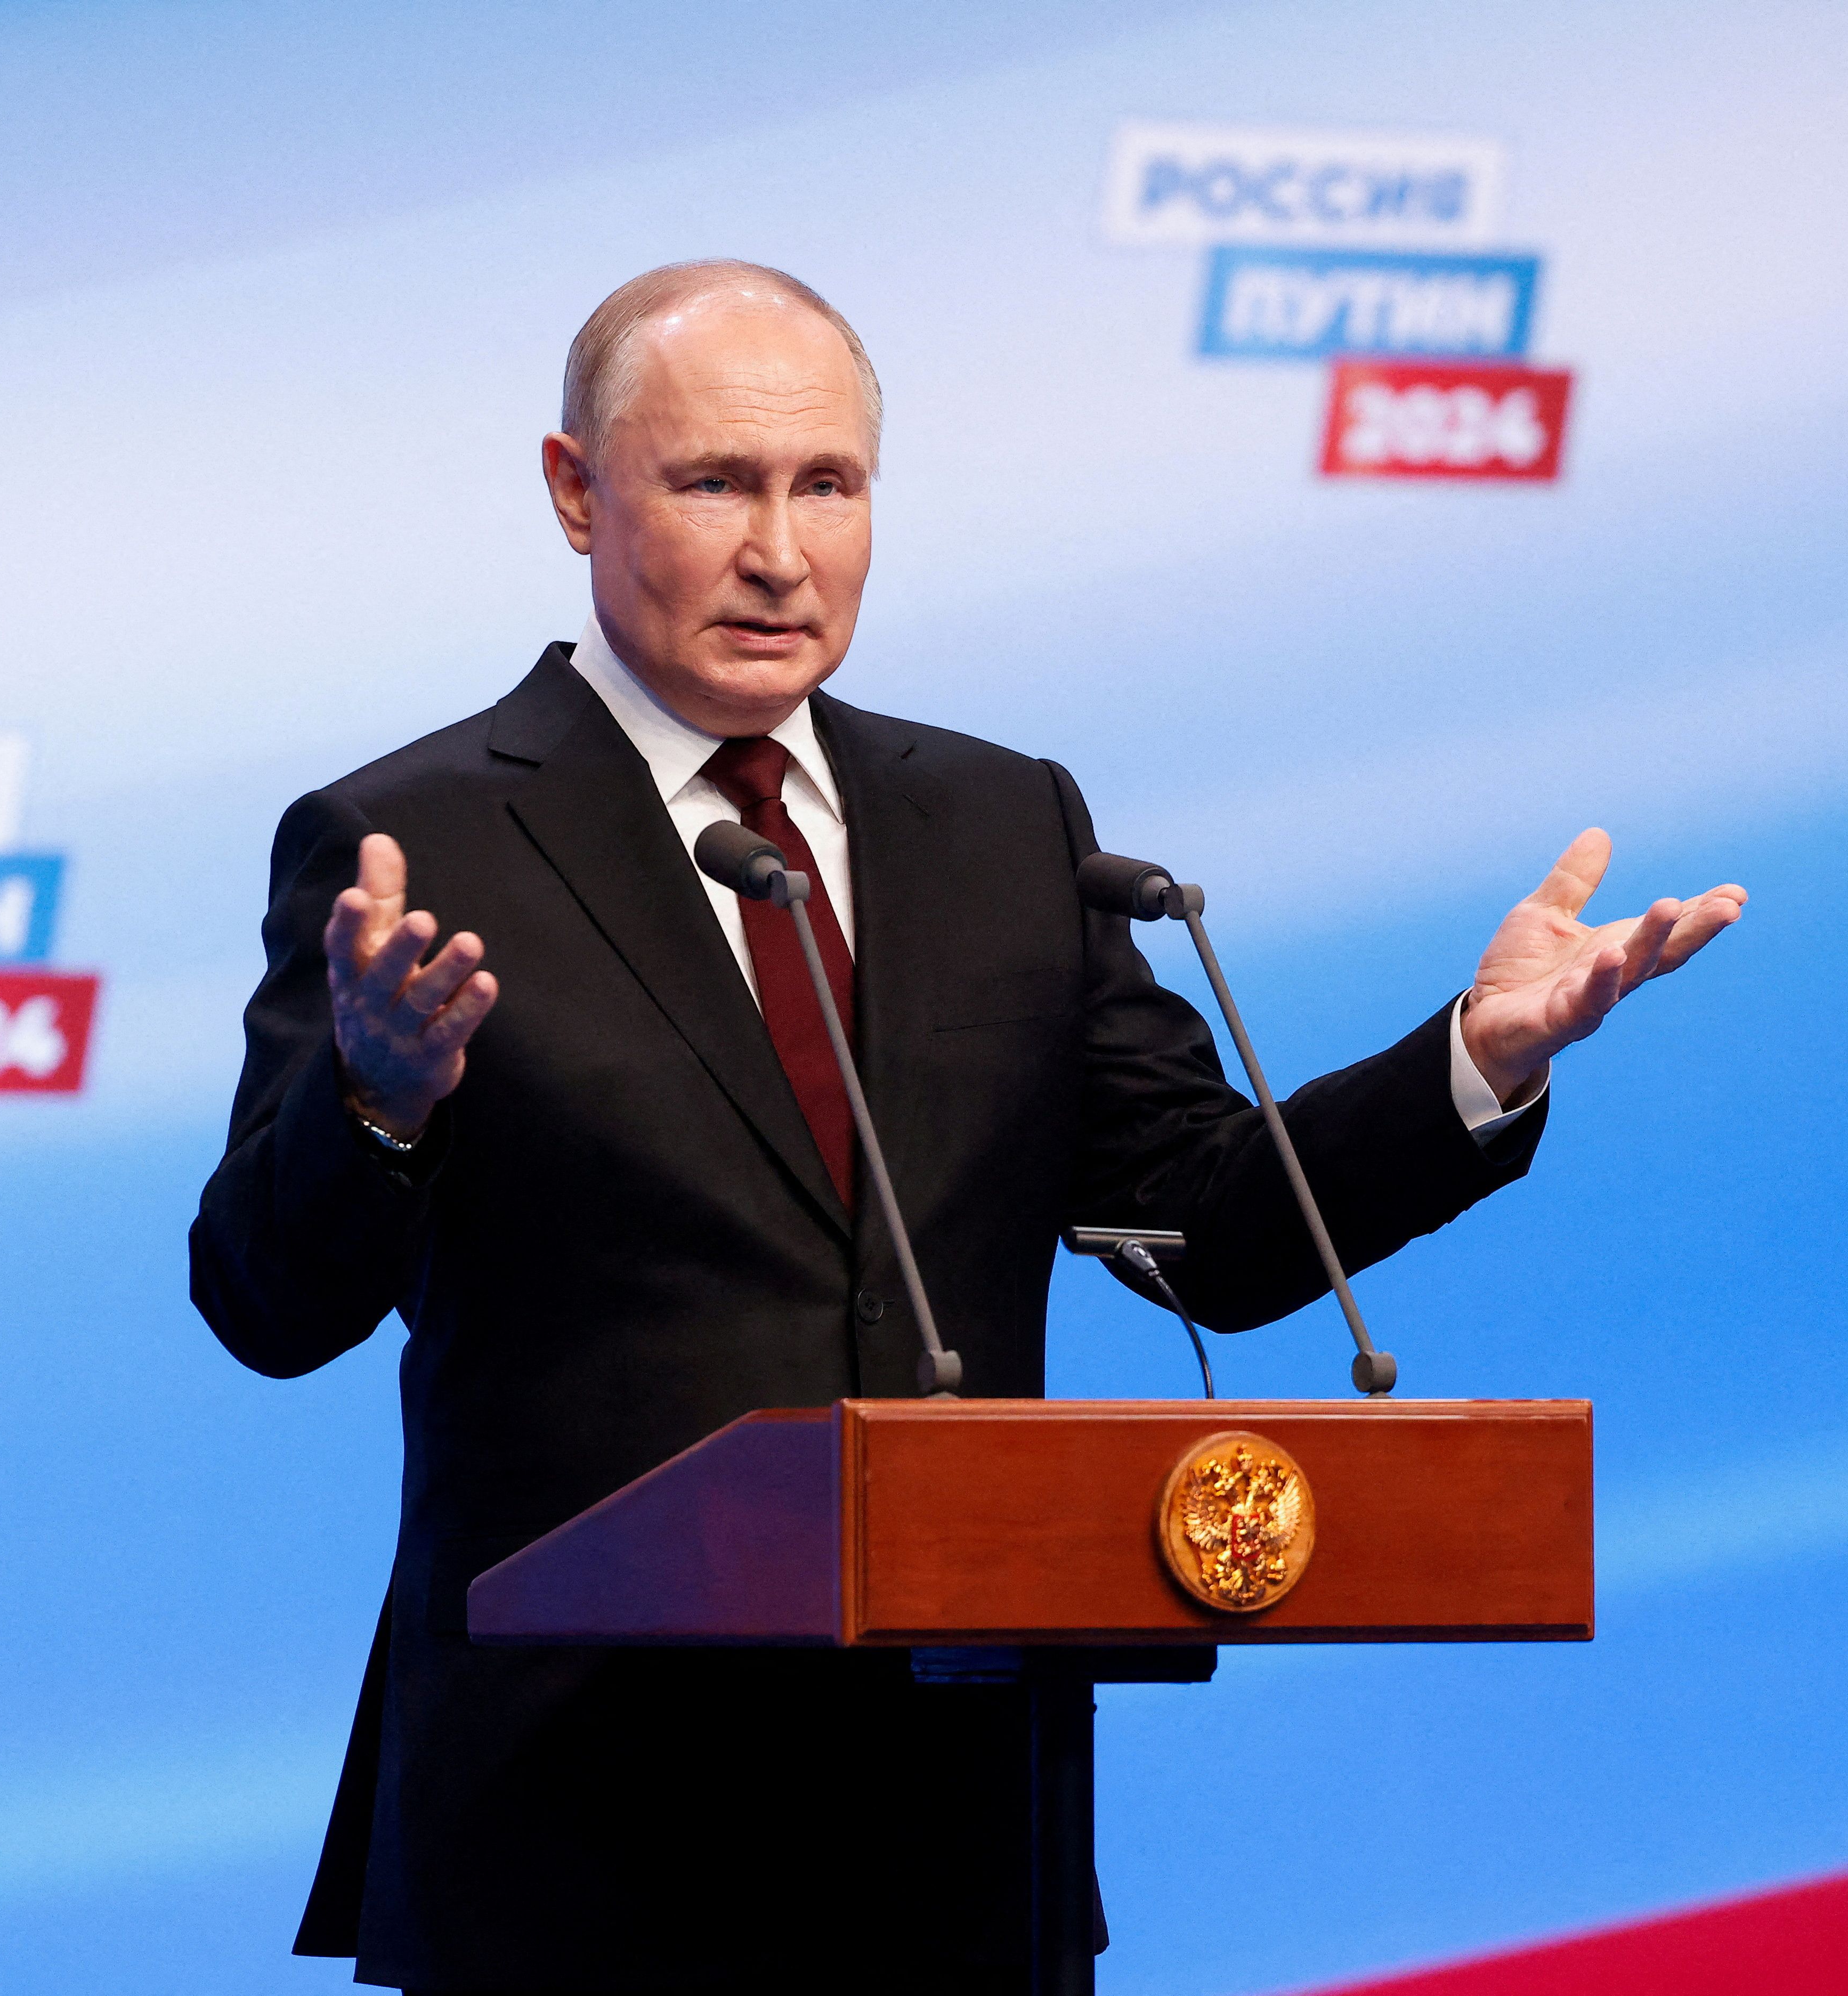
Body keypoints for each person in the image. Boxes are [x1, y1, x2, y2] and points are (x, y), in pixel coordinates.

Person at [190, 259, 1745, 1993]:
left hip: (960, 1844)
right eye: (714, 483)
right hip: (574, 1843)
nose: (780, 552)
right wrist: (374, 1099)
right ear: (574, 491)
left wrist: (1473, 1058)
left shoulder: (1004, 822)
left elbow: (1210, 1225)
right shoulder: (413, 845)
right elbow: (264, 1300)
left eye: (826, 485)